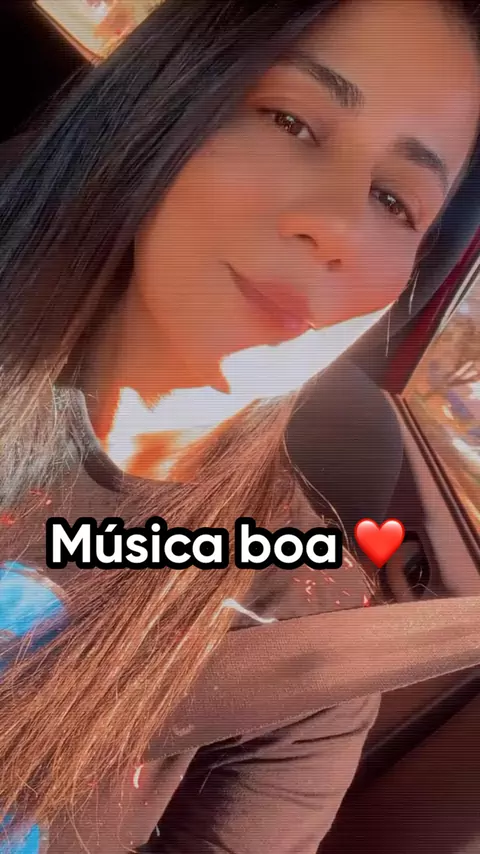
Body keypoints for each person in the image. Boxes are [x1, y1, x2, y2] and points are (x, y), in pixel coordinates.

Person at [0, 1, 478, 852]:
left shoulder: (308, 632)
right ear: (168, 98)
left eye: (393, 200)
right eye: (291, 121)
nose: (336, 227)